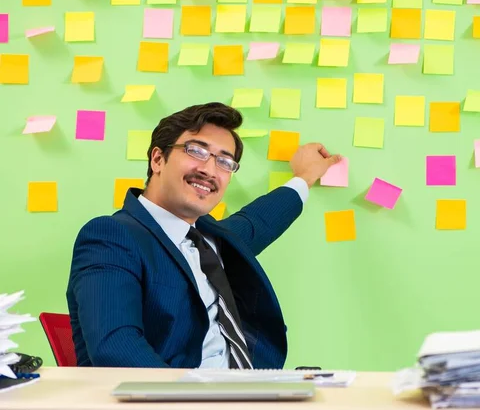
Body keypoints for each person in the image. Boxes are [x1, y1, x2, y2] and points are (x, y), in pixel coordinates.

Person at [66, 102, 341, 369]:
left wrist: (304, 177)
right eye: (196, 151)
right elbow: (115, 346)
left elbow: (258, 221)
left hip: (246, 392)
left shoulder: (211, 239)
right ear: (158, 159)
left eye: (224, 161)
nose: (209, 170)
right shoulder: (112, 236)